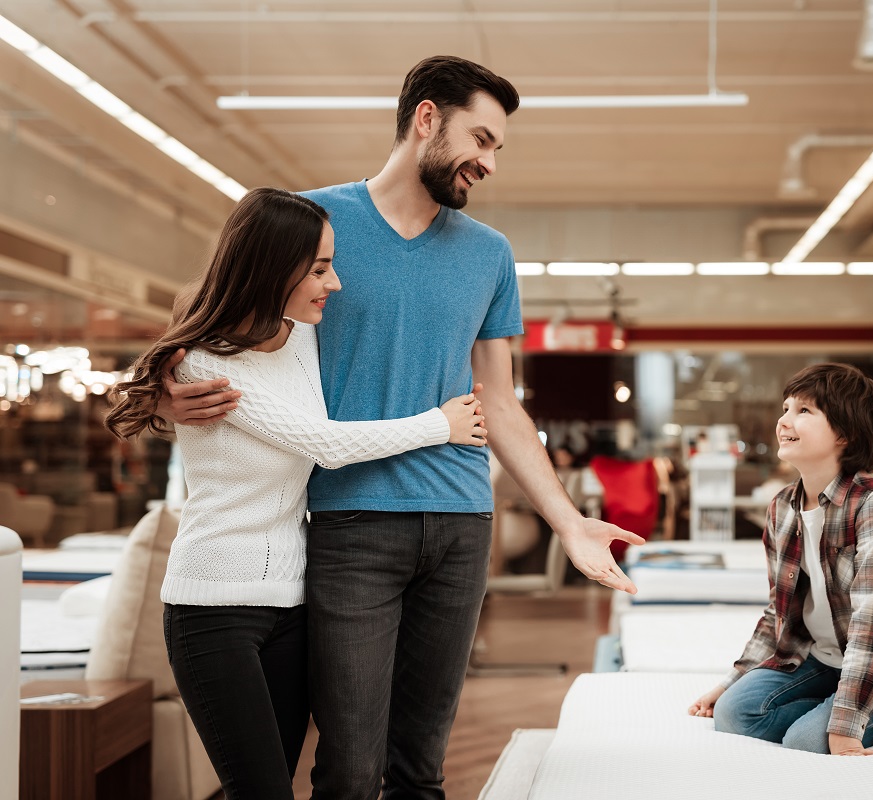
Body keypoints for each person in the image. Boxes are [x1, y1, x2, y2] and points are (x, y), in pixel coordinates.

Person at [155, 56, 644, 800]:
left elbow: (501, 402)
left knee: (420, 769)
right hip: (350, 522)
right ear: (425, 120)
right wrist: (165, 390)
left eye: (496, 149)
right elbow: (218, 321)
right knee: (350, 769)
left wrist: (568, 519)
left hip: (460, 525)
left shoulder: (490, 254)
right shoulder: (314, 223)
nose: (487, 161)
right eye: (479, 139)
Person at [105, 187, 488, 798]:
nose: (333, 283)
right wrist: (440, 424)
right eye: (318, 269)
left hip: (291, 604)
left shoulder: (304, 339)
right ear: (271, 267)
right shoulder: (205, 364)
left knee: (269, 784)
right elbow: (324, 443)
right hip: (212, 607)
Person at [687, 363, 873, 755]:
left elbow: (872, 623)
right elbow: (777, 613)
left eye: (803, 411)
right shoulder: (782, 507)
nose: (784, 421)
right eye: (785, 409)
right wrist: (730, 683)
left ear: (846, 435)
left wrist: (847, 725)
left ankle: (835, 712)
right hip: (817, 658)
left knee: (805, 739)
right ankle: (821, 710)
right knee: (733, 714)